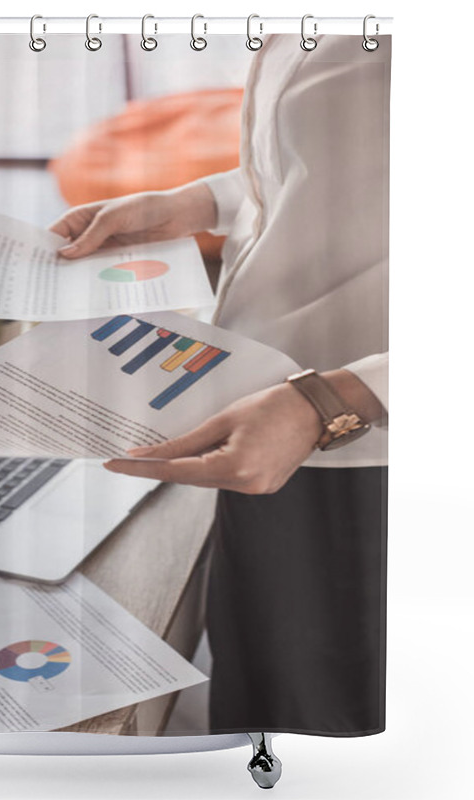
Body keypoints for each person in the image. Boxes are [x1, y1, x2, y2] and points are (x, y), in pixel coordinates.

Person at [50, 34, 389, 737]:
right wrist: (196, 203)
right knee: (264, 705)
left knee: (333, 727)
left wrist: (337, 399)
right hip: (268, 415)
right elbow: (340, 169)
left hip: (366, 452)